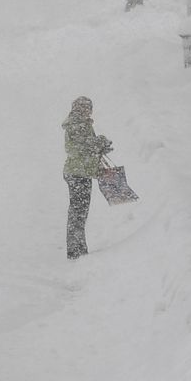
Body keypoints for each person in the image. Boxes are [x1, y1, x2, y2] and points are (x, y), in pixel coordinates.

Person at [62, 97, 112, 260]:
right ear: (76, 108)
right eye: (82, 107)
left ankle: (77, 249)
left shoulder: (82, 123)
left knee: (80, 212)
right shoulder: (77, 124)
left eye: (88, 107)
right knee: (78, 213)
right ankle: (76, 251)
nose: (86, 110)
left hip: (81, 173)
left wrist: (99, 148)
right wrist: (98, 143)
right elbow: (79, 147)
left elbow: (86, 148)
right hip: (77, 174)